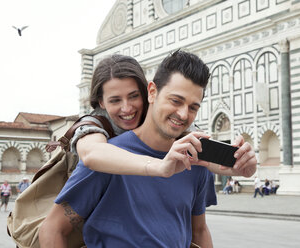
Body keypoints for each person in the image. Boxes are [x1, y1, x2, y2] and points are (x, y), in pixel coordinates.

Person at [40, 51, 219, 247]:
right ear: (152, 92)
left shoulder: (193, 159)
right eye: (175, 101)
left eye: (193, 107)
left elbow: (199, 231)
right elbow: (52, 228)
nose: (127, 109)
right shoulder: (107, 157)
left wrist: (226, 162)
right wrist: (159, 167)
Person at [68, 54, 256, 179]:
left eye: (134, 96)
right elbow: (92, 154)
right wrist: (159, 167)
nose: (126, 108)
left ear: (148, 93)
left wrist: (237, 166)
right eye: (115, 100)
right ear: (101, 102)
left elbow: (201, 153)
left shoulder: (166, 122)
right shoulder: (95, 123)